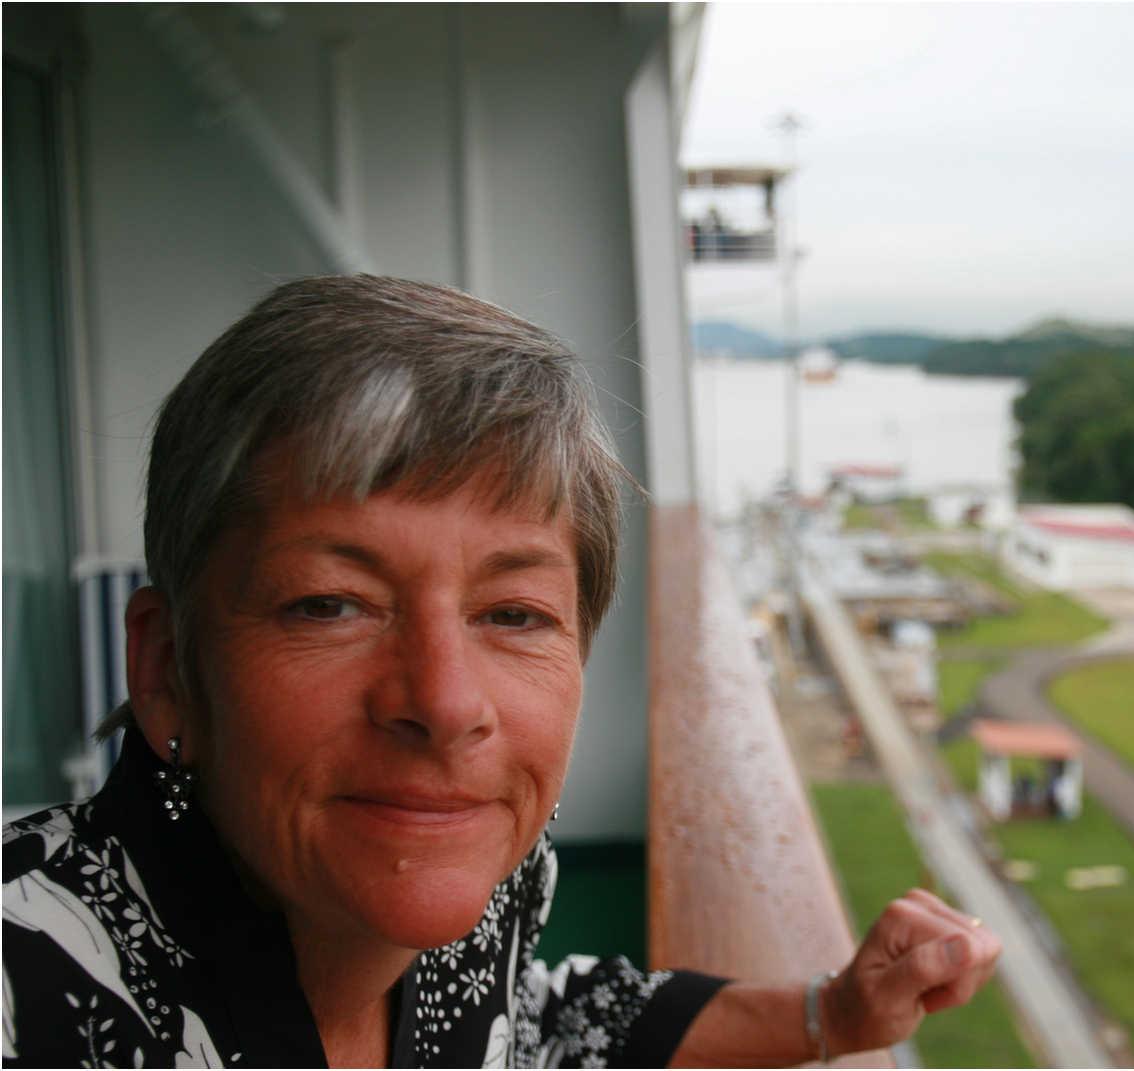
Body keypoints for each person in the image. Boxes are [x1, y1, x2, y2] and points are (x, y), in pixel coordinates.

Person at [2, 275, 1001, 1068]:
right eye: (330, 604)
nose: (443, 703)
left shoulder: (476, 888)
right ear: (168, 668)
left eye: (513, 614)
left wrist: (830, 1012)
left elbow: (529, 1022)